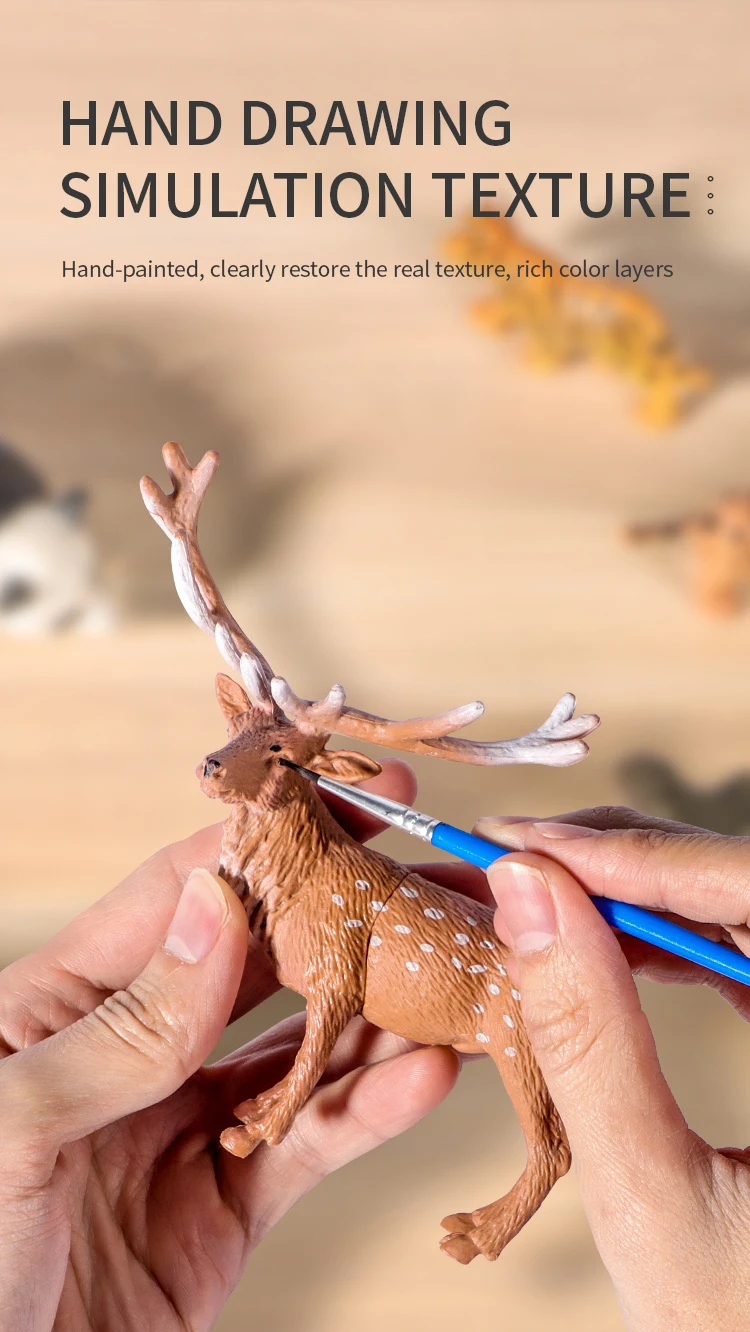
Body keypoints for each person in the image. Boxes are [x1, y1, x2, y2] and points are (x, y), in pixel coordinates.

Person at [0, 763, 747, 1330]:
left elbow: (332, 999)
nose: (226, 764)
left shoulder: (339, 890)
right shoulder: (305, 878)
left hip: (490, 988)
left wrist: (284, 1101)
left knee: (541, 1125)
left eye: (269, 758)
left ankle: (510, 1208)